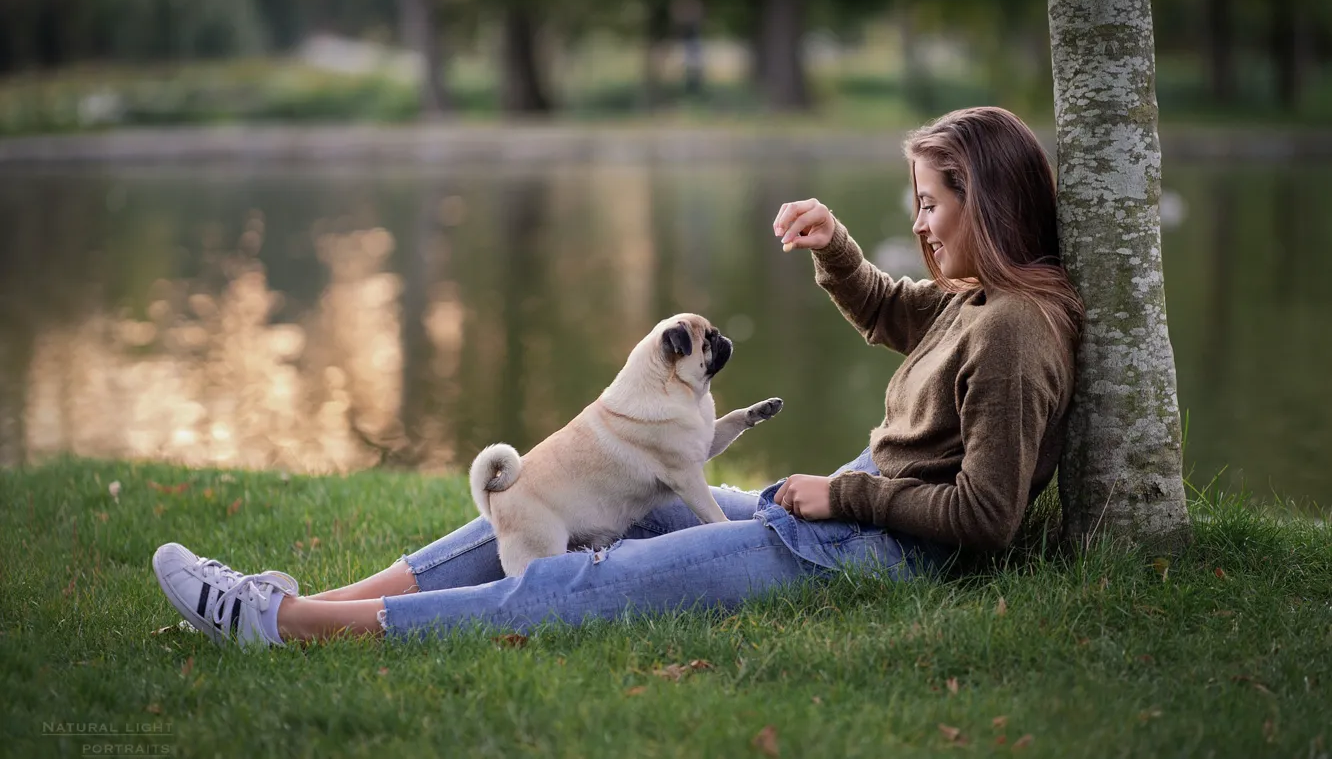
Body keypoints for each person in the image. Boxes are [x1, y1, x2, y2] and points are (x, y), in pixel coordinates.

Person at [151, 106, 1083, 648]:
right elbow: (891, 311)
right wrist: (836, 248)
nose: (920, 227)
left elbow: (987, 518)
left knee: (598, 578)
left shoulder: (1010, 331)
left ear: (987, 203)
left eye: (930, 206)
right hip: (835, 521)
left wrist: (844, 496)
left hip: (864, 543)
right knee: (537, 497)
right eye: (913, 208)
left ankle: (287, 625)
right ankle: (320, 595)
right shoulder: (973, 303)